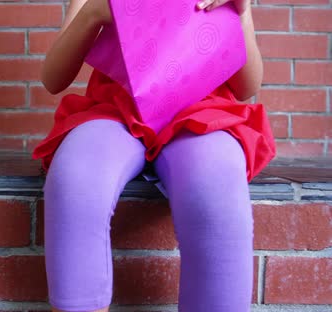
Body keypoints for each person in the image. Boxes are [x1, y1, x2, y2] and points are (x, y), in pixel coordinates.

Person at [31, 0, 277, 311]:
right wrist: (94, 12)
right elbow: (53, 79)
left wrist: (239, 13)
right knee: (76, 180)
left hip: (201, 111)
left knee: (216, 184)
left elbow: (247, 87)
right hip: (115, 111)